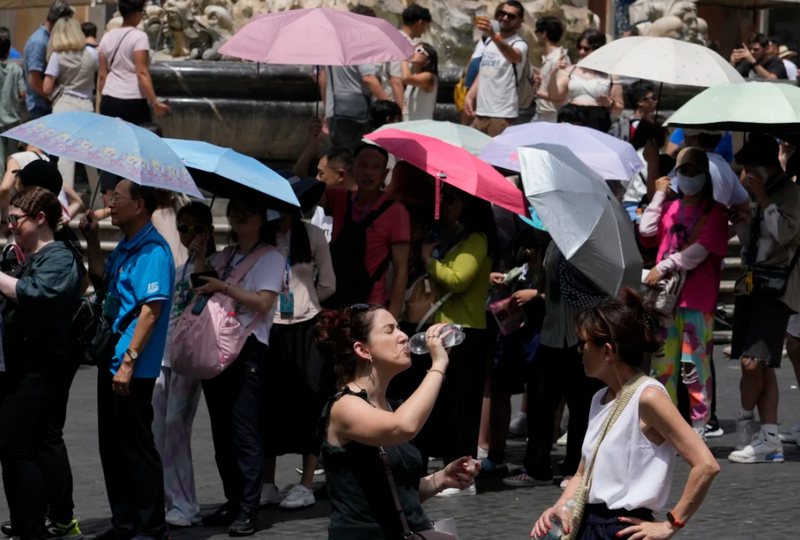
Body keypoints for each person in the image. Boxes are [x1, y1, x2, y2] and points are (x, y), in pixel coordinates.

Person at [531, 288, 720, 540]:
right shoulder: (600, 398)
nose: (579, 351)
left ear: (607, 351)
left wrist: (670, 524)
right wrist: (561, 507)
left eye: (583, 344)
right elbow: (583, 472)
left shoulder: (648, 396)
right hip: (589, 526)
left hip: (622, 529)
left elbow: (706, 465)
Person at [316, 305, 481, 538]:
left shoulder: (392, 406)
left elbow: (396, 493)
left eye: (400, 328)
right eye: (390, 330)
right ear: (363, 349)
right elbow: (403, 427)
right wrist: (438, 365)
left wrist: (440, 479)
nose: (403, 336)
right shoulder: (344, 406)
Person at [80, 179, 175, 540]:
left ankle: (152, 526)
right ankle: (125, 522)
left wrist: (130, 361)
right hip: (113, 358)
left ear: (140, 205)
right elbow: (102, 280)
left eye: (117, 198)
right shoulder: (126, 246)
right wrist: (90, 238)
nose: (110, 203)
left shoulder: (153, 250)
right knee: (113, 446)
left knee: (136, 446)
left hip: (132, 365)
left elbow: (151, 310)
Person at [194, 197, 284, 536]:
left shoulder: (271, 257)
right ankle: (233, 500)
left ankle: (249, 507)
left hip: (248, 350)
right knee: (221, 431)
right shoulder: (225, 255)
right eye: (234, 210)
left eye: (247, 211)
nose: (239, 215)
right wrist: (201, 254)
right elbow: (200, 287)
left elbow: (263, 302)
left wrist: (224, 286)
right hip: (216, 347)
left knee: (244, 430)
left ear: (263, 218)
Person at [0, 187, 83, 540]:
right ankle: (28, 523)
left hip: (41, 366)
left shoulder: (61, 257)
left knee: (19, 447)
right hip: (19, 363)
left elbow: (39, 294)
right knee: (20, 446)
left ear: (40, 219)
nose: (10, 225)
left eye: (15, 219)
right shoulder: (25, 254)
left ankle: (34, 525)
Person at [410, 186, 496, 496]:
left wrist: (428, 261)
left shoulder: (477, 240)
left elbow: (458, 280)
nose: (445, 205)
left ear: (469, 205)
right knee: (445, 404)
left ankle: (463, 476)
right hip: (447, 331)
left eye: (451, 199)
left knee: (462, 405)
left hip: (466, 332)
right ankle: (450, 469)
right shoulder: (458, 238)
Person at [639, 148, 729, 438]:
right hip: (665, 302)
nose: (689, 177)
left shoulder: (715, 212)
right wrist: (658, 195)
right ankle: (662, 423)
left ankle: (699, 426)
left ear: (704, 175)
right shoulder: (670, 206)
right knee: (661, 365)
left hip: (696, 301)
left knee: (694, 365)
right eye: (684, 171)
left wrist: (664, 266)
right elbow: (646, 231)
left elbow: (699, 251)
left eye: (694, 171)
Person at [504, 242, 605, 489]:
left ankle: (575, 470)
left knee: (580, 407)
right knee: (541, 404)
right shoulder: (551, 245)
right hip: (551, 335)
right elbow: (551, 284)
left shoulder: (585, 247)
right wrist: (537, 268)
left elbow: (585, 292)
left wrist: (537, 295)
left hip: (578, 336)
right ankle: (537, 467)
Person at [261, 184, 335, 510]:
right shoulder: (263, 238)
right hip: (270, 326)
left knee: (310, 402)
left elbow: (329, 283)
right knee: (269, 404)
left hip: (307, 327)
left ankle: (306, 483)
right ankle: (266, 481)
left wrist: (308, 301)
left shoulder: (313, 235)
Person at [728, 134, 800, 464]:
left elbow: (785, 234)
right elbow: (756, 244)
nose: (744, 177)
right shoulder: (762, 195)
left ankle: (746, 424)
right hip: (753, 283)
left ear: (763, 168)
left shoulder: (789, 193)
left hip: (777, 288)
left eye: (748, 169)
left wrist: (760, 196)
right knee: (765, 365)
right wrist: (743, 223)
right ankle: (769, 437)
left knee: (753, 362)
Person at [152, 202, 215, 528]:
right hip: (164, 356)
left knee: (177, 426)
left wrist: (202, 257)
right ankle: (168, 498)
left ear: (206, 231)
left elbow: (201, 296)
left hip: (188, 358)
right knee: (159, 430)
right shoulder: (178, 266)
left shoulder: (210, 266)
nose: (187, 235)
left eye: (194, 228)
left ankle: (185, 503)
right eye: (183, 228)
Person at [324, 144, 410, 316]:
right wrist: (312, 145)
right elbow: (299, 187)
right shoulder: (339, 198)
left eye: (376, 166)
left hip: (369, 309)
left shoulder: (396, 212)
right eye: (363, 165)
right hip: (332, 305)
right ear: (352, 170)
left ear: (385, 174)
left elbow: (401, 269)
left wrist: (392, 317)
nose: (368, 172)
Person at [321, 6, 389, 149]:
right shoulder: (359, 44)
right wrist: (390, 106)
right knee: (356, 156)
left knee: (339, 155)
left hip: (335, 111)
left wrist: (328, 111)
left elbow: (323, 79)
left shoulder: (335, 44)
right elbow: (368, 78)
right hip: (356, 114)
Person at [43, 16, 99, 189]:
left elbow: (46, 88)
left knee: (65, 156)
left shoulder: (57, 57)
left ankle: (65, 199)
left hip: (64, 106)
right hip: (87, 106)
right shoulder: (91, 54)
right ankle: (97, 199)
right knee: (91, 155)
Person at [97, 0, 170, 124]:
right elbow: (141, 73)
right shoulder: (139, 37)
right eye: (142, 12)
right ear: (136, 14)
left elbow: (102, 75)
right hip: (132, 98)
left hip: (108, 97)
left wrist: (102, 99)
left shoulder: (106, 37)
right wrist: (155, 102)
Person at [464, 1, 528, 136]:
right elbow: (485, 71)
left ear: (520, 21)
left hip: (502, 114)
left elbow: (514, 56)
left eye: (511, 16)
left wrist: (493, 35)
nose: (505, 18)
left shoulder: (520, 44)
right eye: (502, 13)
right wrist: (470, 96)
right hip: (481, 112)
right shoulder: (488, 41)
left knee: (495, 156)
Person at [548, 29, 623, 133]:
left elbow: (619, 108)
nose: (581, 52)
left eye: (586, 49)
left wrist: (609, 103)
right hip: (571, 117)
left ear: (598, 49)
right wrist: (553, 73)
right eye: (579, 47)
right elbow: (555, 96)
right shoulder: (570, 71)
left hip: (597, 120)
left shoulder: (610, 75)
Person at [23, 0, 74, 119]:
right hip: (39, 107)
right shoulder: (39, 42)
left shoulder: (48, 38)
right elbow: (34, 80)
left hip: (45, 105)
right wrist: (55, 97)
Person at [384, 3, 431, 110]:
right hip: (393, 103)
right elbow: (396, 80)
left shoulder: (396, 38)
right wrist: (401, 113)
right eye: (425, 26)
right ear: (420, 23)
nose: (425, 30)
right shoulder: (401, 42)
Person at [531, 15, 566, 123]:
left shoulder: (560, 57)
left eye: (537, 31)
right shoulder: (548, 58)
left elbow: (561, 94)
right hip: (541, 112)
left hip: (552, 115)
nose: (536, 35)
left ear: (544, 33)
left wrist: (538, 93)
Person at [0, 27, 25, 177]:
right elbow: (22, 93)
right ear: (9, 51)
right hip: (12, 120)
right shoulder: (16, 69)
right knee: (13, 160)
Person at [400, 43, 437, 121]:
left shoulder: (429, 77)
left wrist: (404, 59)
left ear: (428, 59)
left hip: (423, 126)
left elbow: (406, 78)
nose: (414, 53)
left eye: (418, 50)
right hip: (409, 124)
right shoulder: (414, 76)